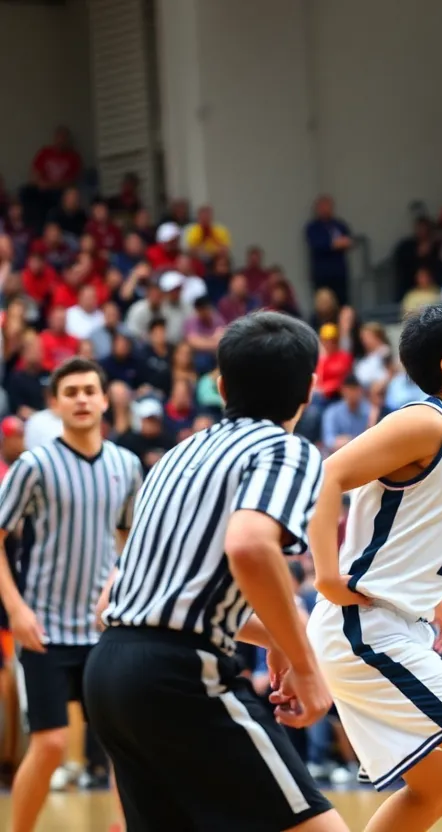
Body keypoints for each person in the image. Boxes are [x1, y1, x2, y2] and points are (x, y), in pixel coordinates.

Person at [83, 311, 347, 832]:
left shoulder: (176, 456)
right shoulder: (286, 448)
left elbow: (137, 595)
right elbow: (250, 547)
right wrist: (306, 664)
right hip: (180, 677)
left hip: (110, 670)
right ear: (311, 388)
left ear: (221, 384)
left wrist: (272, 632)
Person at [305, 299, 442, 832]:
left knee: (439, 788)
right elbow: (325, 477)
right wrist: (327, 574)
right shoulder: (425, 422)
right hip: (366, 625)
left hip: (396, 623)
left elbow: (415, 530)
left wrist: (439, 596)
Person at [0, 358, 142, 832]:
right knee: (52, 743)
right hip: (43, 627)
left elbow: (132, 540)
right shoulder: (32, 466)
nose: (81, 399)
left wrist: (121, 580)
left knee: (125, 742)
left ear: (105, 400)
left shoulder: (127, 464)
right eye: (71, 392)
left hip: (106, 631)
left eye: (89, 390)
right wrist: (16, 609)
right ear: (54, 404)